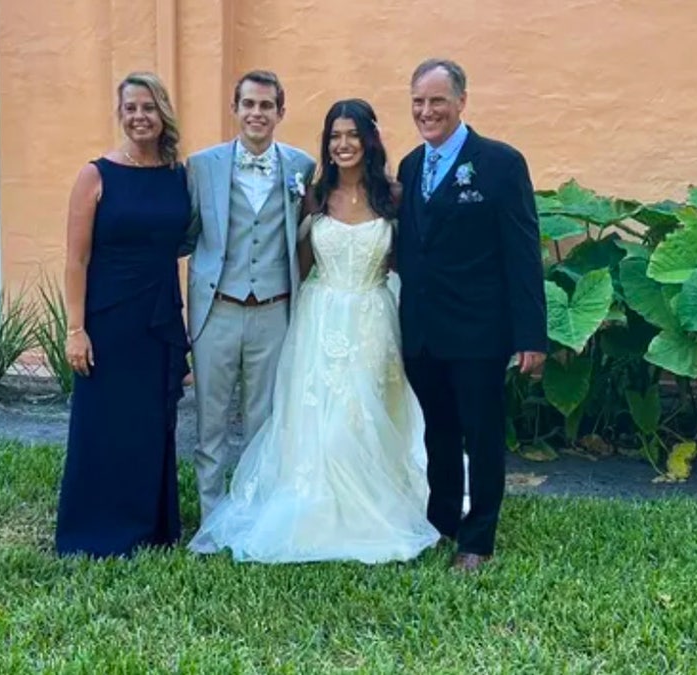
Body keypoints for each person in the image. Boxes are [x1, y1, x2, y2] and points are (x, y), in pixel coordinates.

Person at [187, 98, 440, 564]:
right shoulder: (314, 194)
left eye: (352, 135)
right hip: (319, 317)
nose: (343, 145)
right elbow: (299, 263)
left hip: (371, 317)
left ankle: (369, 508)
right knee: (317, 419)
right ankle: (316, 507)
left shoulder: (395, 196)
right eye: (334, 136)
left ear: (370, 139)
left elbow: (406, 260)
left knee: (360, 415)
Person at [395, 58, 548, 572]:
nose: (426, 111)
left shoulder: (501, 164)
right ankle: (442, 523)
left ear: (461, 101)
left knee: (481, 436)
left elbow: (523, 253)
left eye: (436, 100)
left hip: (479, 331)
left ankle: (477, 539)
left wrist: (531, 335)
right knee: (437, 433)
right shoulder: (411, 167)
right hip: (422, 330)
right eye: (418, 101)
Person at [54, 72, 191, 558]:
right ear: (121, 114)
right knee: (103, 423)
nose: (140, 117)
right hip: (107, 319)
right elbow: (76, 259)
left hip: (158, 319)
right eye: (131, 108)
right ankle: (93, 530)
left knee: (153, 422)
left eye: (149, 107)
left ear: (163, 114)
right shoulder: (96, 174)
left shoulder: (179, 175)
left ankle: (150, 527)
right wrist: (76, 329)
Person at [179, 70, 317, 538]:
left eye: (266, 106)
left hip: (274, 310)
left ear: (281, 112)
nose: (257, 114)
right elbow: (186, 233)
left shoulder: (302, 166)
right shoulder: (201, 166)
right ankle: (211, 519)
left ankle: (254, 517)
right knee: (210, 420)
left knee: (263, 423)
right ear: (234, 109)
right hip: (217, 307)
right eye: (249, 105)